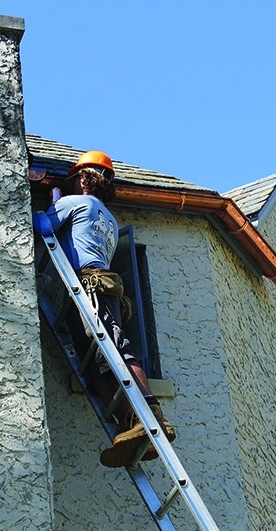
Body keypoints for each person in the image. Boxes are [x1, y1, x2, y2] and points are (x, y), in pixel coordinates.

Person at [42, 151, 175, 468]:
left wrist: (51, 200)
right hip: (101, 286)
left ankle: (150, 414)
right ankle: (129, 427)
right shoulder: (110, 220)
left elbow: (42, 223)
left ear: (84, 178)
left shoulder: (75, 203)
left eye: (76, 178)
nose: (74, 183)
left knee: (115, 348)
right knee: (93, 364)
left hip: (90, 285)